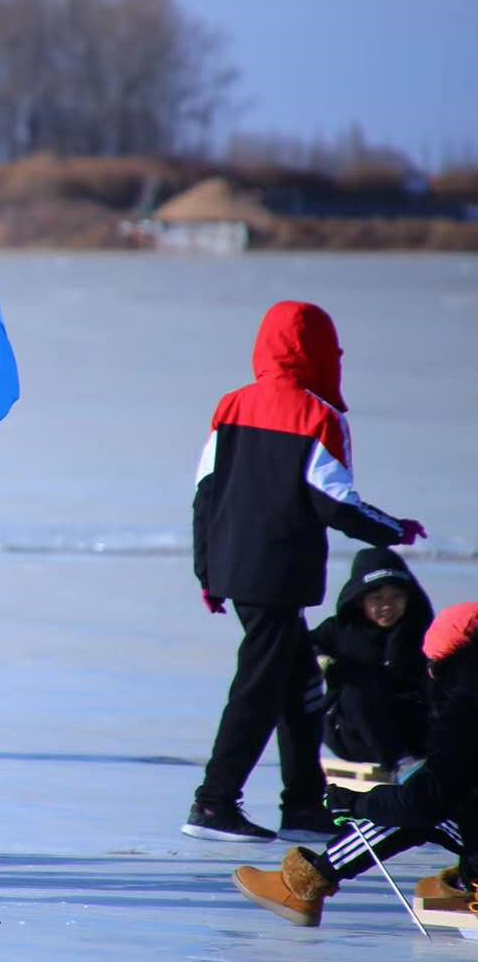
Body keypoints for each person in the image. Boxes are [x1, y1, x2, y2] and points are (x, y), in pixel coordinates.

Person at [185, 300, 424, 844]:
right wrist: (393, 529)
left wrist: (207, 571)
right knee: (257, 688)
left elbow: (205, 493)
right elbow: (334, 504)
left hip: (234, 567)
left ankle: (303, 805)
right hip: (276, 573)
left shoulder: (231, 406)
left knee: (301, 686)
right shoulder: (317, 414)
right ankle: (214, 802)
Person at [231, 602, 478, 927]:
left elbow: (422, 804)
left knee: (416, 811)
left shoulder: (467, 706)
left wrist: (355, 803)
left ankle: (307, 883)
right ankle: (464, 879)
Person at [311, 548, 432, 768]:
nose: (387, 606)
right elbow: (302, 646)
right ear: (360, 601)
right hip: (354, 734)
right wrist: (320, 659)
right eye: (377, 598)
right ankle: (401, 763)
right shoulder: (338, 630)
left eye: (396, 597)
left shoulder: (419, 632)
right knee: (357, 687)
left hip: (412, 730)